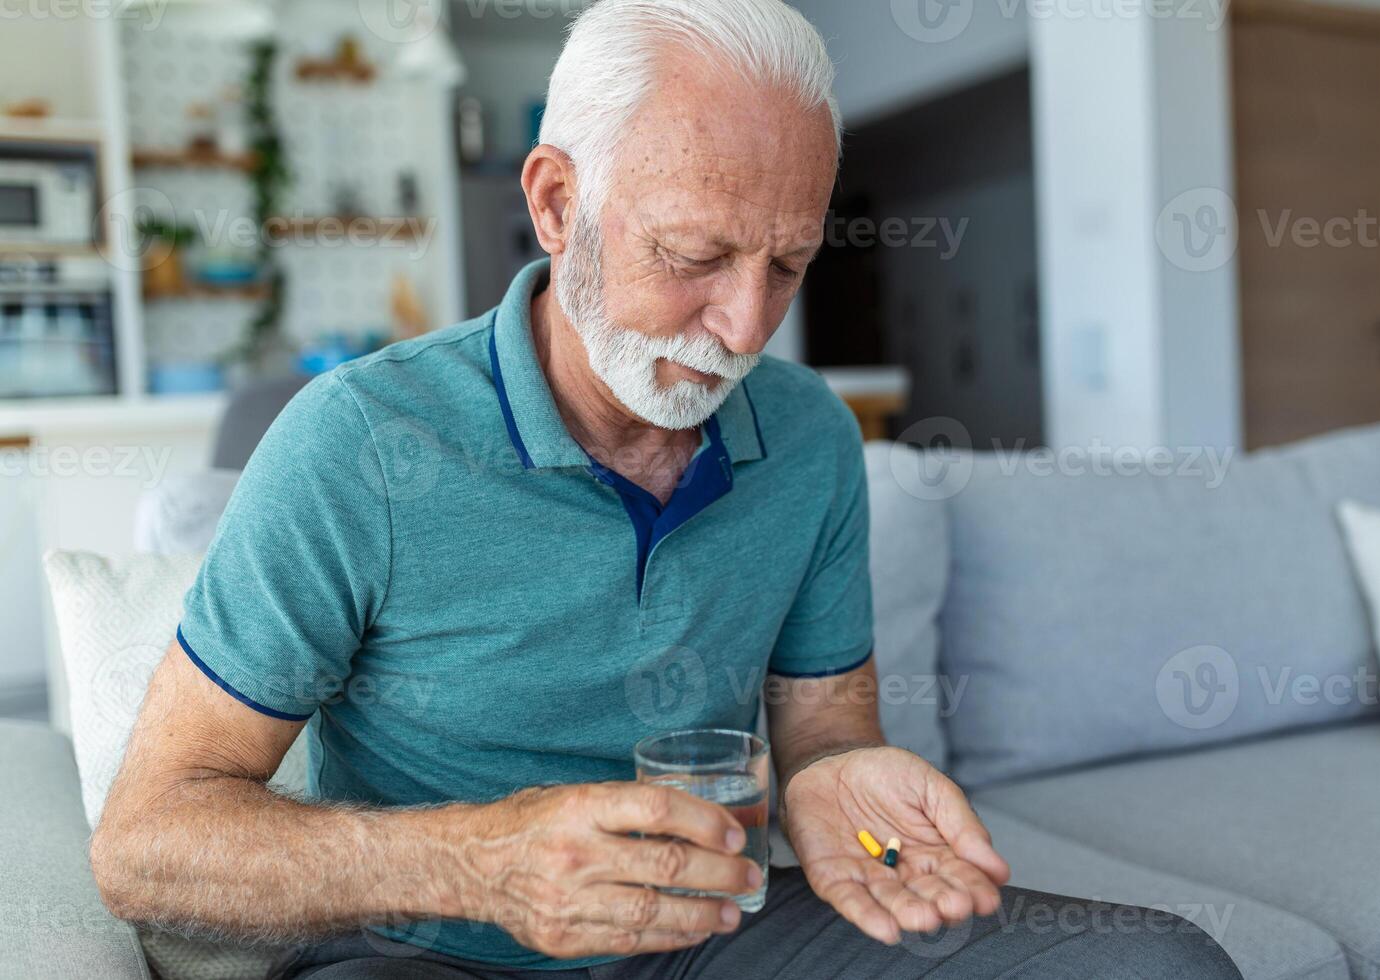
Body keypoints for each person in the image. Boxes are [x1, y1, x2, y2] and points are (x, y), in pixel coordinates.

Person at [91, 1, 1243, 977]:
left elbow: (824, 728)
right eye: (695, 256)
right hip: (430, 951)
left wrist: (853, 806)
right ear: (554, 203)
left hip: (709, 933)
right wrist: (480, 863)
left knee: (1161, 961)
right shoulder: (357, 442)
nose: (745, 327)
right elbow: (146, 843)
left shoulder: (809, 440)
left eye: (786, 264)